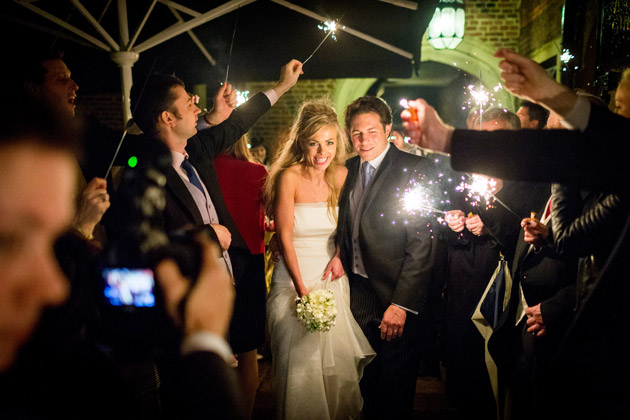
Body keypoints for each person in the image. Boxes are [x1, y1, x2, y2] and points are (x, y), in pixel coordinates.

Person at [401, 47, 630, 418]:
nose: (617, 118)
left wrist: (448, 140)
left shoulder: (614, 183)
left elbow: (570, 233)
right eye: (616, 108)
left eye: (622, 108)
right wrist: (547, 94)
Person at [129, 59, 302, 415]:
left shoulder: (199, 152)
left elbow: (238, 120)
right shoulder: (145, 176)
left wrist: (282, 86)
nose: (197, 103)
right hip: (186, 313)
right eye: (187, 101)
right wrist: (207, 236)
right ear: (166, 118)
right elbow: (145, 251)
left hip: (228, 293)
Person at [263, 100, 375, 420]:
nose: (321, 152)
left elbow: (349, 228)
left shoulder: (341, 175)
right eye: (314, 143)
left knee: (333, 369)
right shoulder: (289, 177)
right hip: (293, 279)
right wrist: (303, 292)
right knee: (298, 366)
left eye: (328, 142)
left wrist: (340, 257)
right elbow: (284, 238)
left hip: (331, 275)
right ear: (302, 142)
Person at [333, 96, 438, 419]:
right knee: (363, 384)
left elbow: (423, 242)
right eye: (356, 133)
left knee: (394, 392)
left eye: (371, 132)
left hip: (395, 295)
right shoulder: (345, 170)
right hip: (357, 291)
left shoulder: (414, 169)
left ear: (388, 129)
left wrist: (402, 304)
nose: (364, 140)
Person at [214, 134, 269, 417]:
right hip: (251, 259)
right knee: (247, 348)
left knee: (217, 341)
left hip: (215, 258)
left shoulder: (203, 168)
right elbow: (271, 216)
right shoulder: (258, 171)